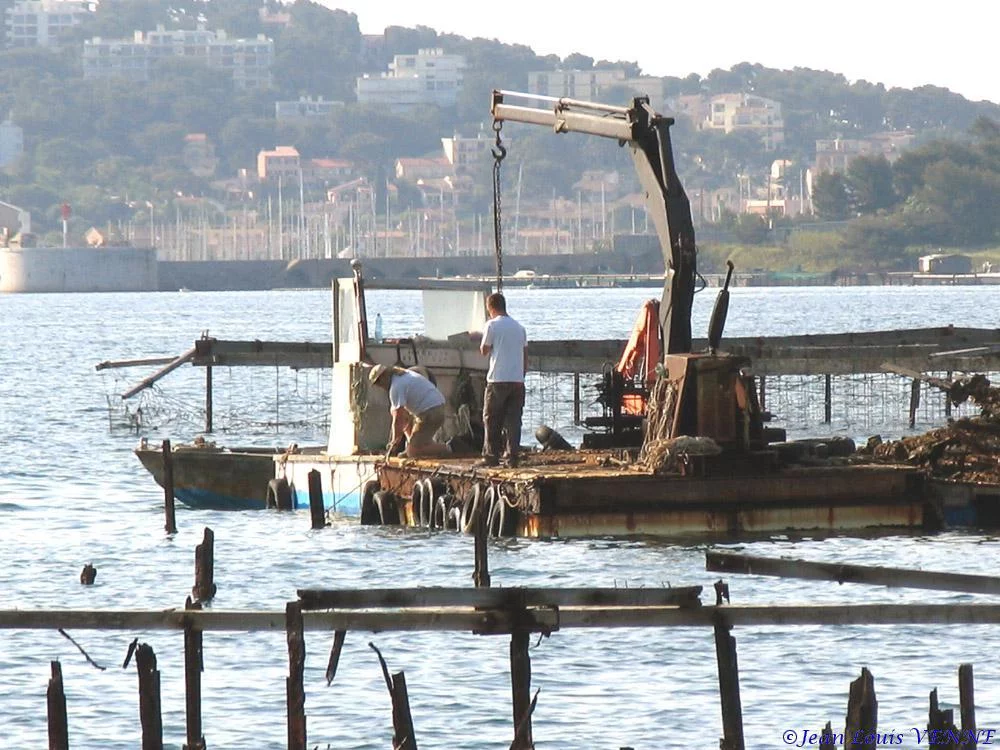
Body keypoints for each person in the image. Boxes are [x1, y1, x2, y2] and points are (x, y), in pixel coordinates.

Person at [478, 292, 528, 467]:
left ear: (490, 307)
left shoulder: (491, 325)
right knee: (514, 420)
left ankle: (491, 456)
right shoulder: (519, 327)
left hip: (497, 379)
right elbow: (525, 355)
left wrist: (478, 336)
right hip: (517, 380)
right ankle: (512, 457)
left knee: (491, 418)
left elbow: (484, 350)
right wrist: (521, 375)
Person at [368, 364, 452, 458]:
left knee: (413, 452)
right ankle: (412, 447)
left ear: (384, 377)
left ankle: (448, 448)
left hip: (430, 412)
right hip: (436, 407)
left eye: (379, 382)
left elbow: (398, 420)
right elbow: (404, 418)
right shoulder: (404, 376)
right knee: (404, 417)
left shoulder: (396, 387)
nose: (380, 386)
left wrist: (394, 442)